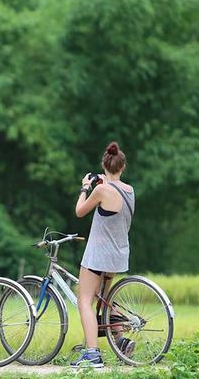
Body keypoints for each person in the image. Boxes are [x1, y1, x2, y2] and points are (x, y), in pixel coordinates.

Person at [71, 141, 135, 368]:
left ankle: (92, 354)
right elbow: (113, 196)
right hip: (118, 254)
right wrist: (105, 181)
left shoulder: (100, 190)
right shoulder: (129, 190)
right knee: (104, 300)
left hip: (98, 254)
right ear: (123, 166)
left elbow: (80, 211)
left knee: (84, 301)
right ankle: (120, 339)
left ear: (103, 164)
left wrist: (85, 187)